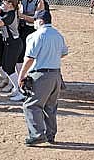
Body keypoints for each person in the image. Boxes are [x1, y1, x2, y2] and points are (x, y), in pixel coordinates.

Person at [17, 10, 68, 146]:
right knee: (50, 106)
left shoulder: (36, 35)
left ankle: (37, 134)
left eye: (35, 20)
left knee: (31, 105)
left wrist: (21, 75)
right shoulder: (58, 34)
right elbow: (63, 53)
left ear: (40, 21)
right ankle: (50, 134)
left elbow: (29, 58)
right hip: (56, 75)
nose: (34, 23)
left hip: (41, 75)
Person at [18, 0, 46, 73]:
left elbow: (37, 19)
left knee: (32, 52)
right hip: (23, 29)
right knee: (21, 52)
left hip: (33, 30)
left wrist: (22, 16)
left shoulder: (39, 1)